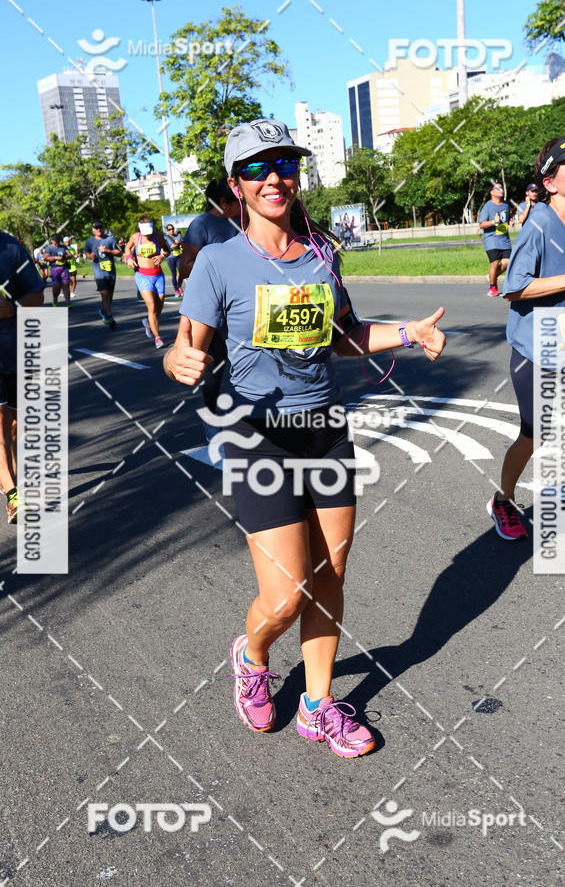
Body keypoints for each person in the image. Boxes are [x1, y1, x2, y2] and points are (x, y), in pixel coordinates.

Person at [164, 118, 446, 757]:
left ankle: (319, 704)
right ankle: (253, 652)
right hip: (257, 437)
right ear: (237, 185)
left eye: (285, 165)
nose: (274, 178)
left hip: (325, 431)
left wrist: (407, 333)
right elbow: (187, 348)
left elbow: (343, 336)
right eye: (258, 169)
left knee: (330, 573)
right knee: (285, 594)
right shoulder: (218, 261)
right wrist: (177, 362)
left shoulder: (322, 255)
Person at [487, 136, 565, 545]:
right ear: (550, 183)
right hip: (535, 349)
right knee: (536, 435)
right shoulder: (537, 223)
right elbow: (513, 288)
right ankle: (503, 499)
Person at [178, 177, 240, 413]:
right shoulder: (200, 225)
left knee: (248, 360)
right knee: (216, 365)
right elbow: (184, 268)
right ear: (223, 202)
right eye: (236, 201)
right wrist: (216, 262)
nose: (241, 205)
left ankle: (251, 418)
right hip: (213, 309)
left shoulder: (242, 220)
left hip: (241, 303)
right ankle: (212, 418)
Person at [0, 232, 45, 523]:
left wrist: (11, 308)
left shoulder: (12, 249)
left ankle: (9, 474)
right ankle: (13, 493)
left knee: (14, 423)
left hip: (16, 349)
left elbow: (37, 295)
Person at [124, 214, 169, 349]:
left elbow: (167, 249)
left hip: (158, 275)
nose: (148, 235)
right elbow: (127, 248)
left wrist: (162, 256)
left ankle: (149, 323)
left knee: (159, 305)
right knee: (152, 306)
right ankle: (157, 338)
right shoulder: (135, 237)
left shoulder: (158, 237)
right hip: (142, 276)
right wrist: (129, 258)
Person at [478, 182, 513, 297]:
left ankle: (492, 276)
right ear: (492, 192)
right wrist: (493, 222)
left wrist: (510, 222)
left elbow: (506, 219)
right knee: (495, 263)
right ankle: (492, 287)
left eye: (501, 188)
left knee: (507, 262)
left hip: (504, 239)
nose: (501, 190)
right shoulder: (488, 206)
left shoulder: (506, 205)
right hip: (491, 239)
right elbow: (481, 224)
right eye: (497, 188)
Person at [84, 221, 121, 329]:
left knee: (109, 298)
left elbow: (119, 253)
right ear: (93, 229)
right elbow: (86, 252)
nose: (98, 229)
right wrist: (90, 255)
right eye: (96, 228)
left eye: (100, 227)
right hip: (99, 273)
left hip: (111, 272)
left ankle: (103, 311)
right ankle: (110, 318)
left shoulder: (110, 239)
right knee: (104, 296)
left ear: (103, 228)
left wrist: (107, 250)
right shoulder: (90, 241)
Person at [43, 235, 71, 307]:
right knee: (56, 287)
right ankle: (55, 299)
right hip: (54, 269)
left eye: (58, 241)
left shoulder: (63, 247)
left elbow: (70, 255)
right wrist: (56, 258)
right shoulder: (49, 248)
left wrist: (66, 256)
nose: (57, 243)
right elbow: (46, 258)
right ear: (52, 241)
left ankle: (68, 302)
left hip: (64, 268)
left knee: (66, 285)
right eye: (55, 241)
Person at [163, 224, 184, 295]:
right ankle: (176, 290)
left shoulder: (178, 236)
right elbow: (168, 247)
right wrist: (173, 245)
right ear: (167, 230)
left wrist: (180, 243)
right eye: (169, 229)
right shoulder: (165, 238)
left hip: (179, 256)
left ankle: (179, 286)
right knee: (173, 274)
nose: (171, 230)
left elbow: (183, 245)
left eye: (172, 228)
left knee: (181, 272)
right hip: (170, 258)